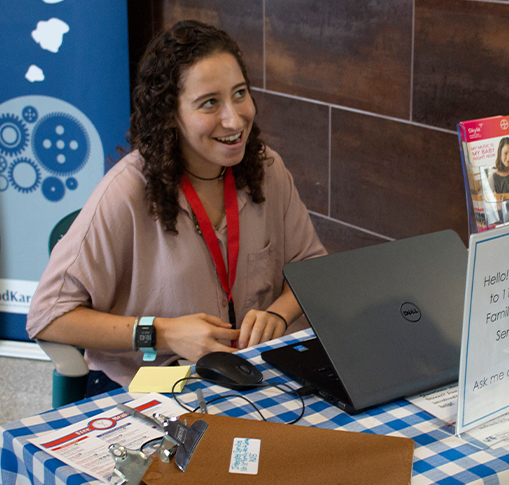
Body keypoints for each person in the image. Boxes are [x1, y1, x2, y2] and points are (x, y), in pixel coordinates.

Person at [26, 20, 326, 396]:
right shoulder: (125, 192)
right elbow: (47, 317)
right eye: (209, 103)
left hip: (253, 379)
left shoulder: (267, 170)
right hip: (154, 389)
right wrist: (162, 332)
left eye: (239, 93)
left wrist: (279, 313)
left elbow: (313, 268)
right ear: (170, 114)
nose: (234, 119)